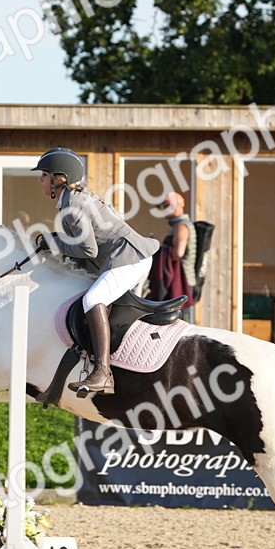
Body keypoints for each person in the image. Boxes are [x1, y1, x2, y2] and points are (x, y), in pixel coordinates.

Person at [32, 147, 161, 395]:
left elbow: (88, 250)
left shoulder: (74, 204)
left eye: (44, 175)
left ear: (59, 178)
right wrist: (52, 241)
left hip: (128, 258)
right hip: (126, 256)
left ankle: (103, 372)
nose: (40, 179)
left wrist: (53, 242)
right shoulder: (70, 200)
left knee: (93, 299)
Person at [147, 191, 197, 306]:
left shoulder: (181, 226)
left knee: (181, 322)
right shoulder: (179, 225)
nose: (163, 210)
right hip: (180, 282)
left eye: (166, 205)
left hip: (182, 284)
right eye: (161, 207)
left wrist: (162, 253)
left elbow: (178, 253)